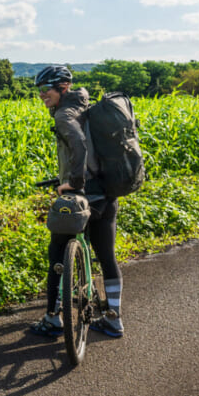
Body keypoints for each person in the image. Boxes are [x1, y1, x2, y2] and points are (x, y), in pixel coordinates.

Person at [29, 64, 125, 338]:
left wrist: (73, 182)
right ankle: (113, 319)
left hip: (82, 197)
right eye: (39, 89)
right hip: (106, 193)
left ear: (63, 88)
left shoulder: (64, 114)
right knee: (107, 255)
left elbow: (80, 143)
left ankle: (52, 318)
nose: (41, 94)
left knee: (57, 253)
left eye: (46, 89)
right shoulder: (86, 108)